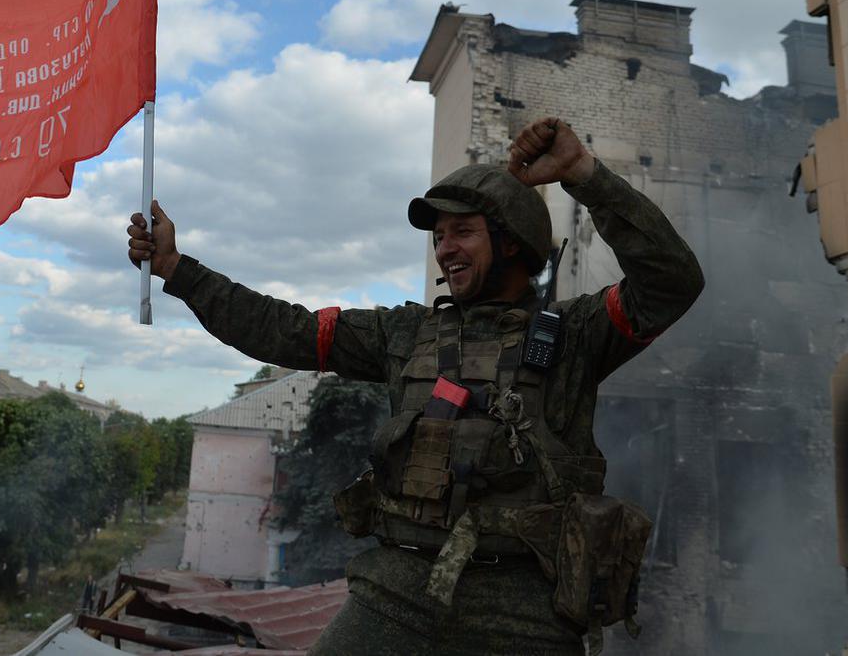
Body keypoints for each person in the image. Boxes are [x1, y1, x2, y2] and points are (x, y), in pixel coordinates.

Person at [127, 118, 704, 655]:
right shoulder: (403, 334)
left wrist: (583, 174)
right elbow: (285, 330)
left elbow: (672, 281)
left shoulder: (577, 335)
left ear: (510, 242)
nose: (445, 247)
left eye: (463, 232)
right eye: (439, 235)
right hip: (397, 590)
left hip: (525, 604)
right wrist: (179, 270)